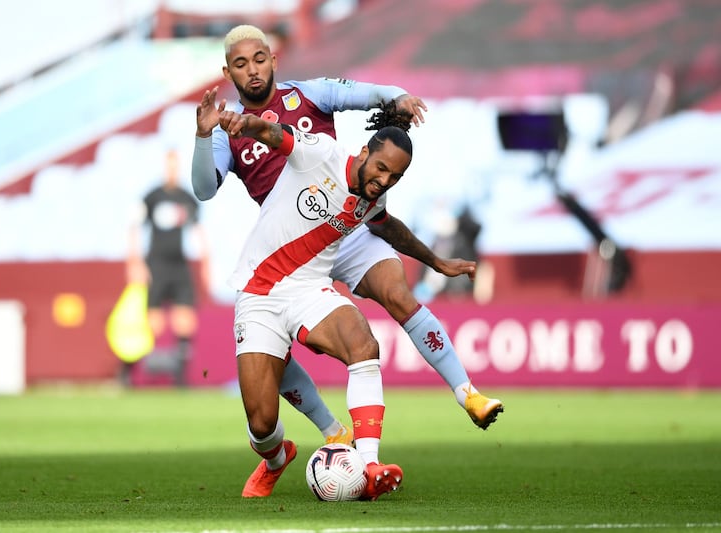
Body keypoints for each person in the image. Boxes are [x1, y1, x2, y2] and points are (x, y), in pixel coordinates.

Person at [192, 24, 503, 431]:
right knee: (274, 342)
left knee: (397, 294)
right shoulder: (224, 129)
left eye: (259, 59)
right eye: (240, 64)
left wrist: (397, 96)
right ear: (228, 72)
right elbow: (203, 188)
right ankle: (331, 432)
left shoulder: (308, 94)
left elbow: (361, 93)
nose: (252, 70)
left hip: (348, 227)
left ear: (273, 60)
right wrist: (202, 134)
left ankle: (468, 394)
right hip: (294, 249)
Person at [217, 101, 420, 499]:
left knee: (364, 345)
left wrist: (438, 261)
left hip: (310, 288)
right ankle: (277, 458)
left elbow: (391, 230)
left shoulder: (372, 200)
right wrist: (240, 123)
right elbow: (275, 135)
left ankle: (368, 465)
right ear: (365, 152)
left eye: (394, 177)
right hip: (259, 292)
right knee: (261, 424)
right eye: (381, 168)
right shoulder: (323, 153)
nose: (383, 180)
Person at [124, 148, 208, 387]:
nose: (172, 170)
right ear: (164, 167)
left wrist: (205, 263)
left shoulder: (185, 198)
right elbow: (134, 227)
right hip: (156, 264)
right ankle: (130, 372)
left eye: (175, 165)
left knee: (185, 320)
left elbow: (198, 231)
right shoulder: (152, 197)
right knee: (153, 323)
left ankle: (180, 377)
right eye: (168, 165)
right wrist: (135, 262)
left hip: (179, 264)